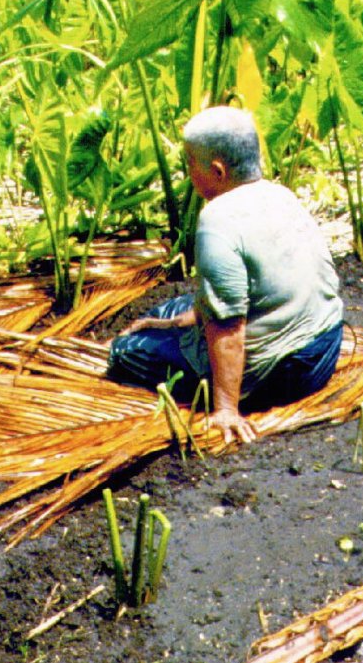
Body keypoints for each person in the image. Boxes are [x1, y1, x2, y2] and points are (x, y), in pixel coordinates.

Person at [108, 106, 344, 446]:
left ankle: (212, 382)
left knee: (125, 351)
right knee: (170, 310)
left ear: (217, 170)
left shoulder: (218, 221)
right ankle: (172, 328)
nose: (188, 171)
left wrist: (226, 409)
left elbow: (228, 327)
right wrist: (177, 322)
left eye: (191, 163)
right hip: (325, 347)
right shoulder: (281, 194)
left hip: (283, 373)